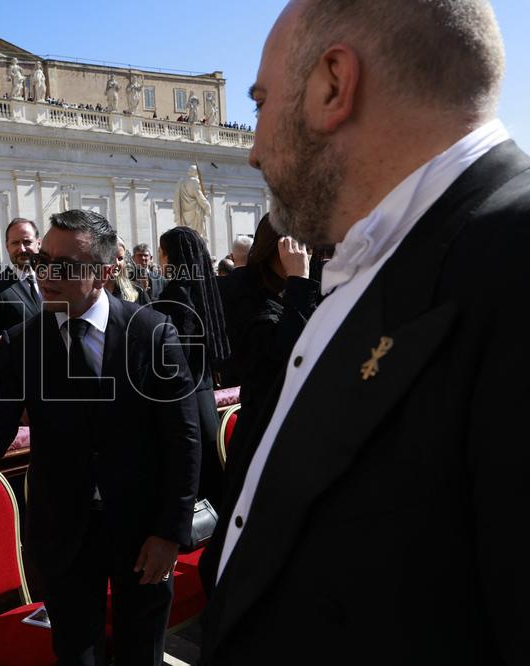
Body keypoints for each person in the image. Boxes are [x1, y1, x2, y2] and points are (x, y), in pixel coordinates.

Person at [198, 1, 528, 664]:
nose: (254, 150)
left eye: (260, 102)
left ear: (332, 85)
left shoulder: (514, 257)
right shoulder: (380, 256)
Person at [0, 210, 200, 665]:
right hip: (62, 536)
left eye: (65, 266)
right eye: (43, 260)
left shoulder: (152, 334)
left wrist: (170, 531)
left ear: (105, 273)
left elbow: (183, 440)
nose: (47, 275)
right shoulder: (20, 343)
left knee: (140, 654)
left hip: (143, 534)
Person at [154, 226, 230, 507]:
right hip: (206, 396)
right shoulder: (203, 292)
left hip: (184, 406)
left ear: (170, 258)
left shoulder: (173, 299)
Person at [220, 214, 319, 422]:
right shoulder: (246, 292)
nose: (304, 257)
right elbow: (284, 353)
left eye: (308, 250)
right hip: (265, 419)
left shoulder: (284, 289)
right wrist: (299, 280)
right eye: (298, 248)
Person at [0, 218, 42, 356]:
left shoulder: (53, 281)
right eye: (15, 243)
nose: (22, 248)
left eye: (27, 242)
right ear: (7, 247)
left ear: (38, 243)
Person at [105, 236, 146, 304]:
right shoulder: (87, 293)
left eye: (120, 258)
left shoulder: (137, 291)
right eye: (111, 258)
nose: (116, 263)